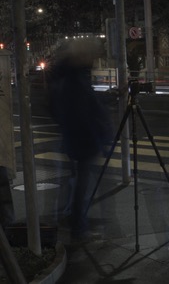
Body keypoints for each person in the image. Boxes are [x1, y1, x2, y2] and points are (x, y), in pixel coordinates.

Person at [49, 39, 112, 241]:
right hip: (84, 140)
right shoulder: (75, 79)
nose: (93, 59)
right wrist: (100, 136)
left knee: (77, 183)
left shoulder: (69, 75)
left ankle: (73, 220)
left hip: (77, 138)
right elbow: (84, 111)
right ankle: (78, 227)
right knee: (82, 186)